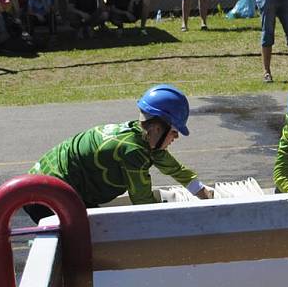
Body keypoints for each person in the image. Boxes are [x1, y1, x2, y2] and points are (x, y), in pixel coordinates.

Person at [25, 84, 214, 223]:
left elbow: (172, 167)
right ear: (158, 128)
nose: (177, 137)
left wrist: (200, 190)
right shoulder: (133, 151)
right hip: (45, 197)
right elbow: (143, 202)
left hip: (43, 187)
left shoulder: (141, 137)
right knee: (90, 239)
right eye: (174, 131)